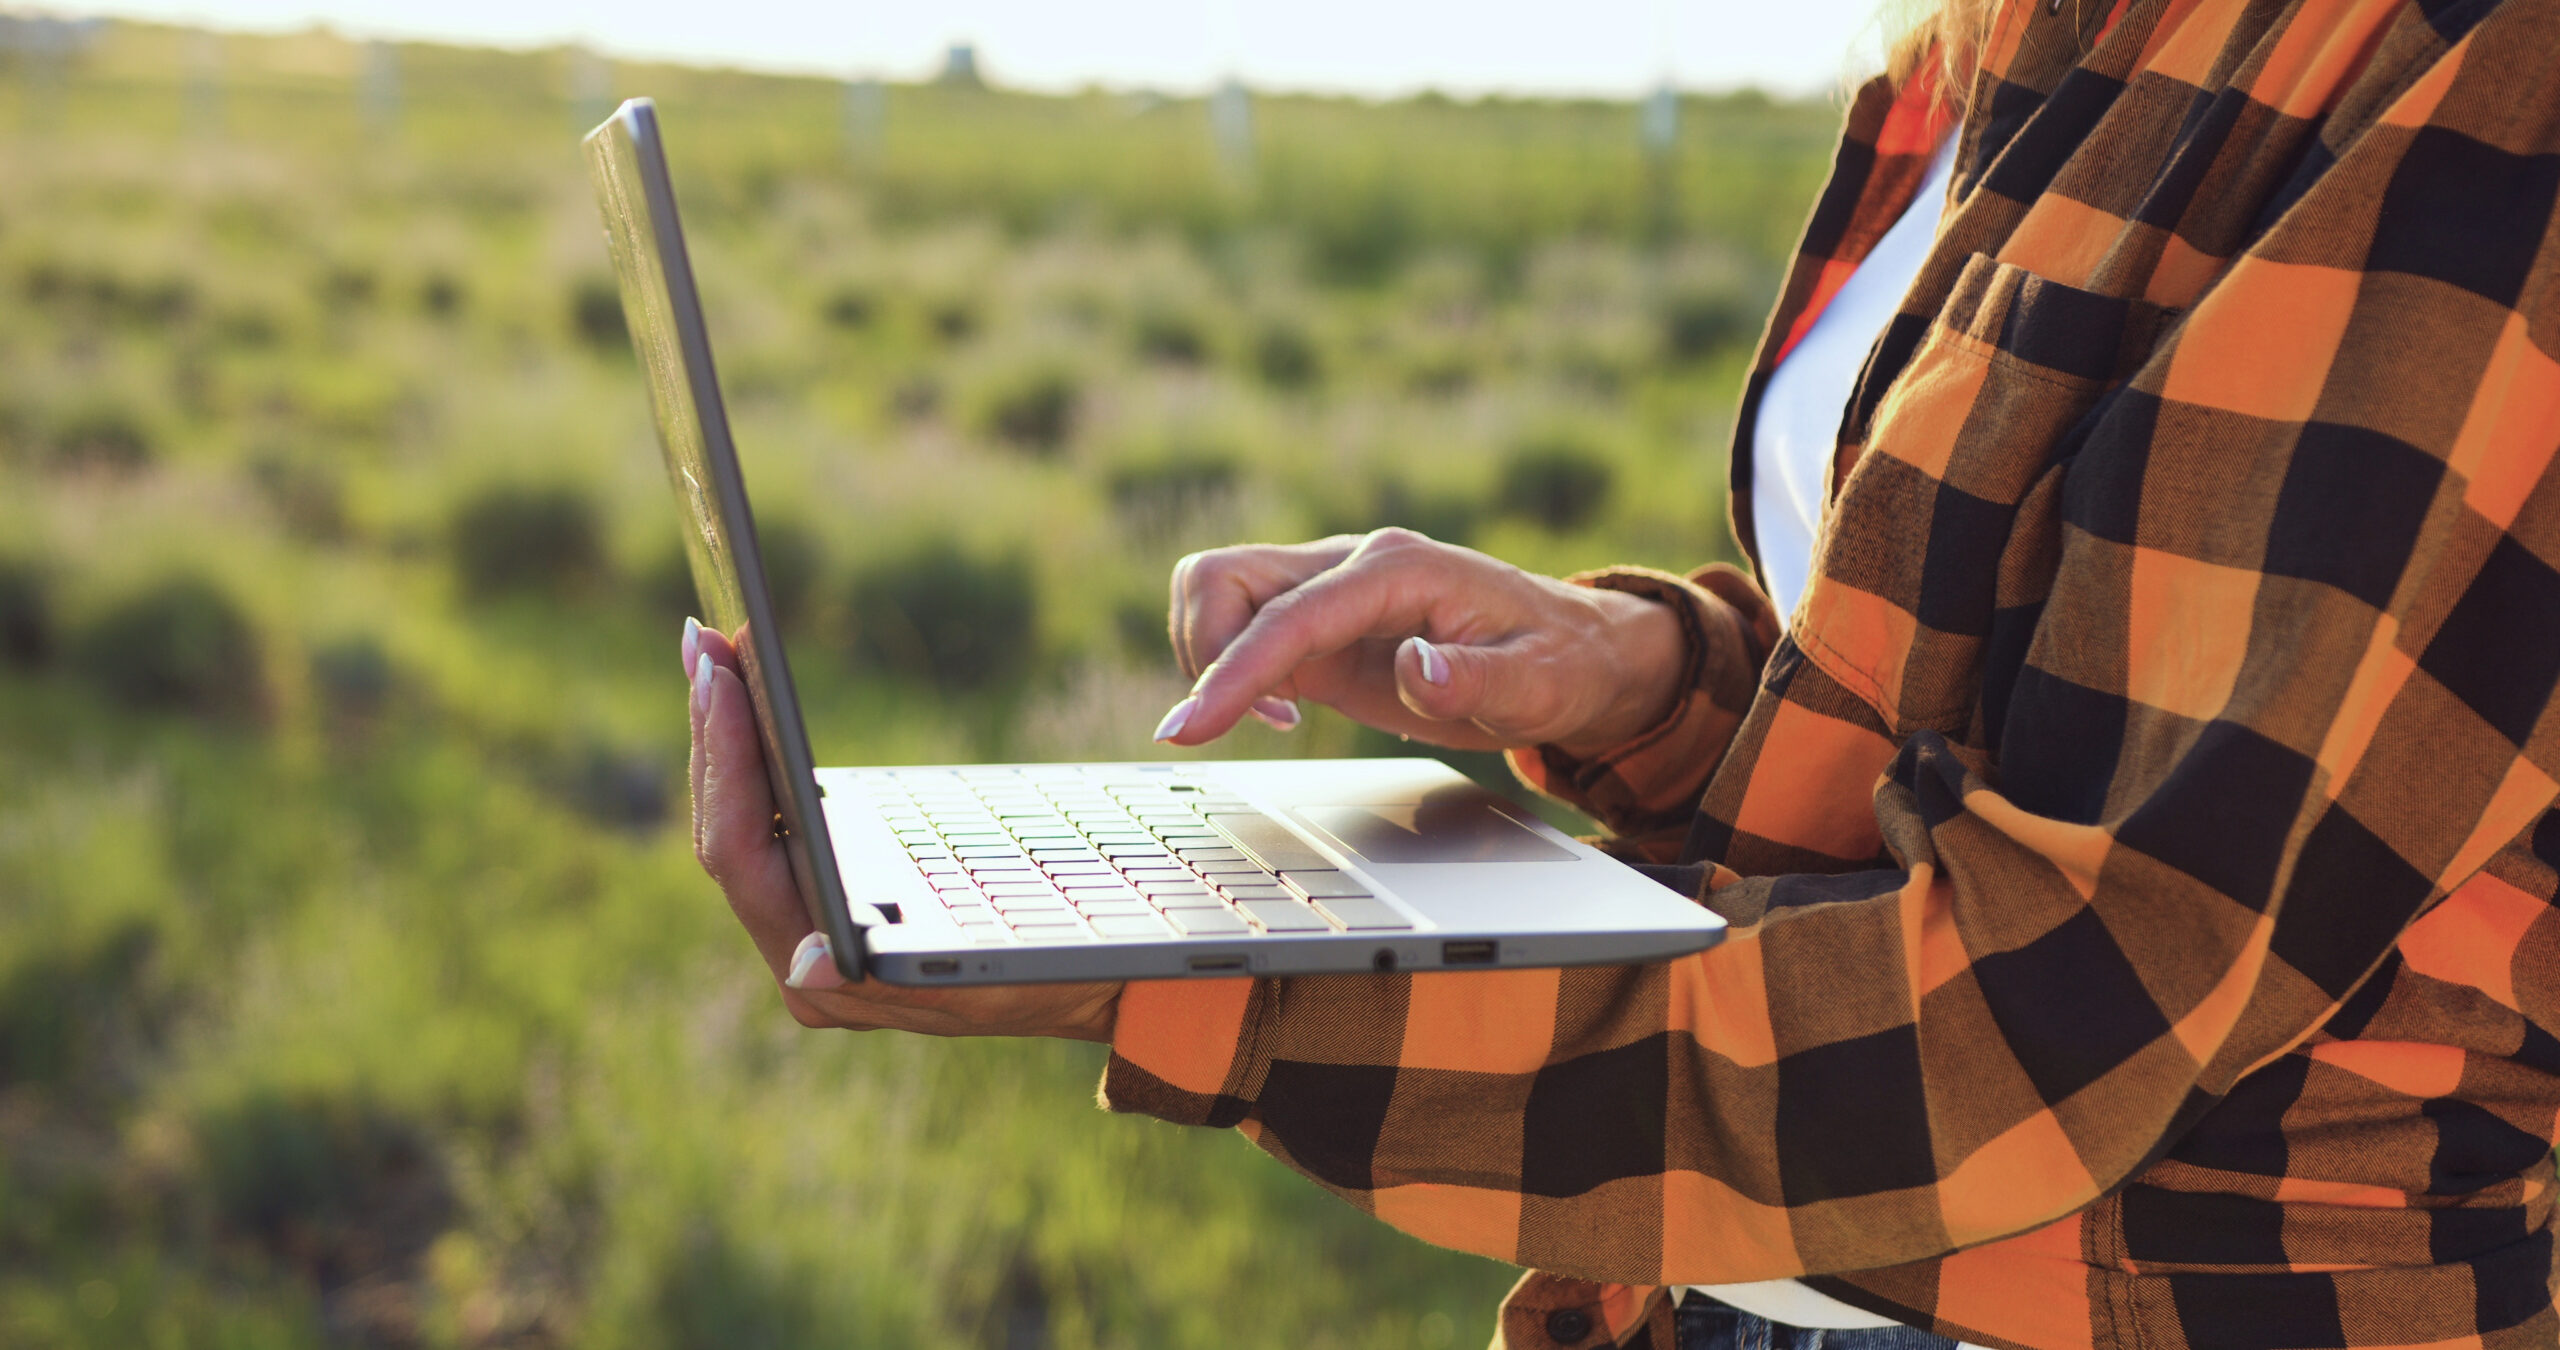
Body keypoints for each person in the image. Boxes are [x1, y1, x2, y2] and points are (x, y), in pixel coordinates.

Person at [681, 0, 2560, 1343]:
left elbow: (2059, 996)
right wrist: (1650, 678)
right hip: (1749, 1279)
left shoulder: (2480, 81)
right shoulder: (1996, 42)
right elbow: (1976, 707)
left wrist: (1198, 991)